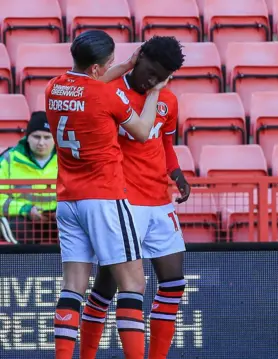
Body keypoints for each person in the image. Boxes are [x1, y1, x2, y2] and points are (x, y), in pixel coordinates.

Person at [46, 30, 167, 359]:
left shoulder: (53, 86)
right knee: (133, 285)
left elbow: (88, 85)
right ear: (98, 69)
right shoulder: (105, 96)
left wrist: (127, 64)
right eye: (111, 63)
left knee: (72, 287)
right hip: (104, 197)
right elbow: (142, 132)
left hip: (68, 198)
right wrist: (155, 92)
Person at [79, 35, 190, 359]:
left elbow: (165, 145)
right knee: (107, 287)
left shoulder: (167, 99)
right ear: (138, 58)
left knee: (173, 283)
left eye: (161, 76)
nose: (152, 80)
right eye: (150, 71)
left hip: (158, 198)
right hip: (121, 199)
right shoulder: (109, 91)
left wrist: (177, 172)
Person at [0, 111, 57, 243]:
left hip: (60, 220)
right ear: (27, 137)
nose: (41, 143)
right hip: (22, 221)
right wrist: (26, 210)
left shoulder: (68, 160)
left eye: (47, 137)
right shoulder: (8, 159)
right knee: (13, 227)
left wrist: (59, 211)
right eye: (36, 137)